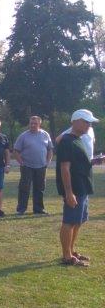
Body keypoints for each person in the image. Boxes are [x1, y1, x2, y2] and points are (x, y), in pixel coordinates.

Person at [56, 109, 102, 267]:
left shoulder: (78, 139)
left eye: (90, 123)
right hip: (75, 189)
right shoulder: (67, 141)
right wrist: (69, 193)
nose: (89, 125)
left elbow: (79, 162)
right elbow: (65, 168)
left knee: (78, 221)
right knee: (69, 221)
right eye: (86, 122)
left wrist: (94, 161)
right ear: (75, 122)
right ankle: (66, 256)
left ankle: (71, 250)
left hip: (83, 186)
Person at [14, 116, 53, 215]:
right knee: (24, 188)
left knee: (40, 188)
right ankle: (21, 209)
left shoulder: (45, 134)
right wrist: (21, 163)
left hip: (41, 166)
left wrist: (48, 161)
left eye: (35, 123)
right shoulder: (23, 136)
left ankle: (38, 209)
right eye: (31, 123)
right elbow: (16, 151)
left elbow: (50, 149)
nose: (33, 125)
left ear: (39, 124)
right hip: (27, 166)